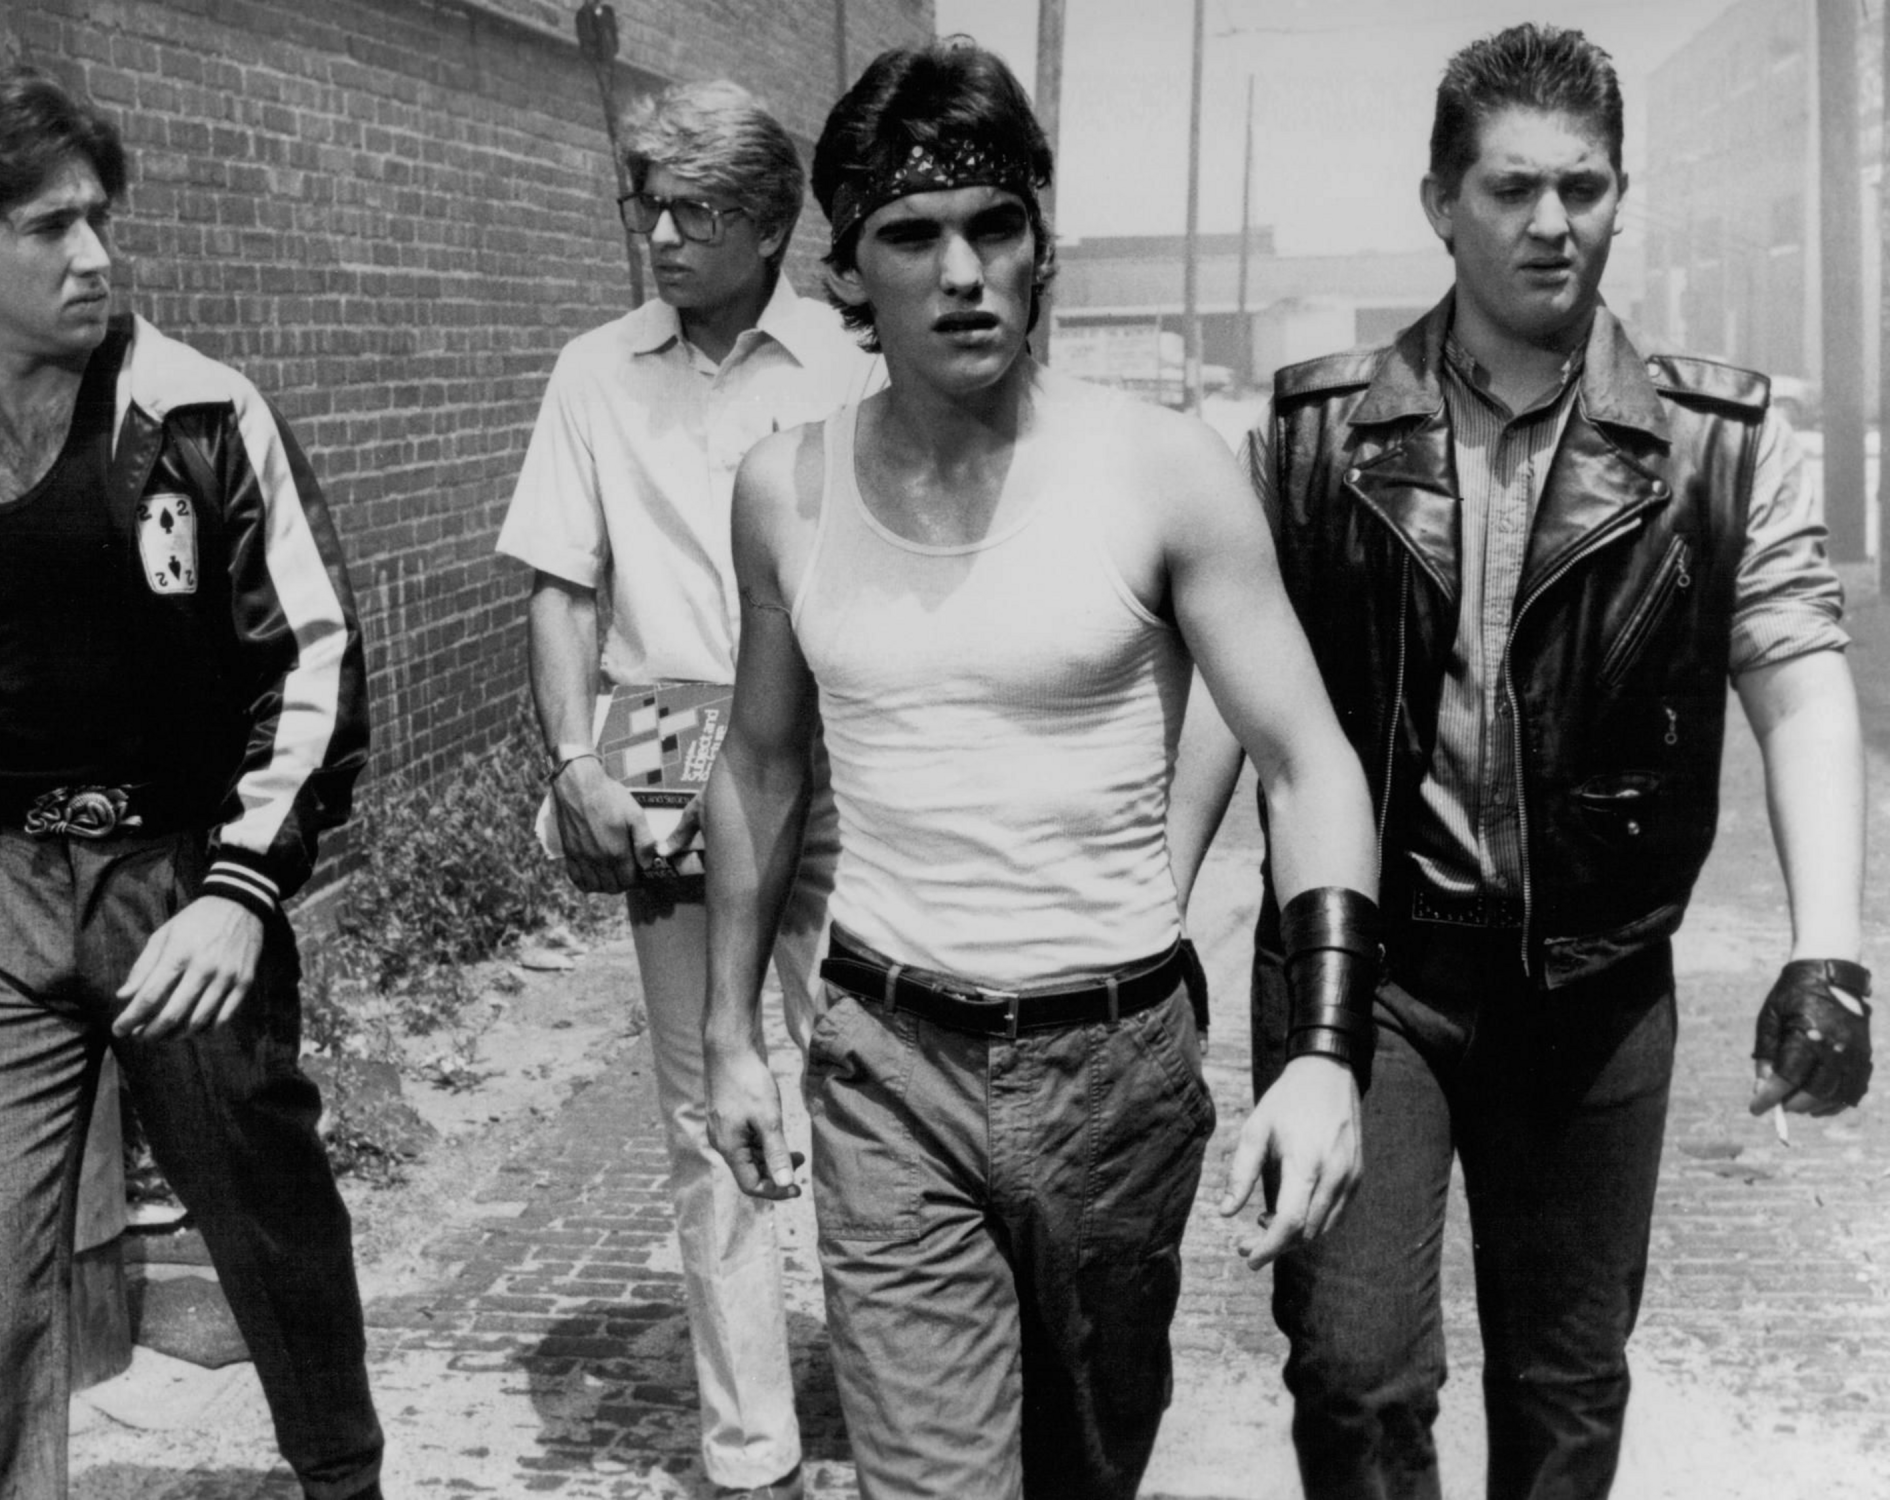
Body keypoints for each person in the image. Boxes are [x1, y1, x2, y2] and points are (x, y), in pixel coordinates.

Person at [702, 39, 1382, 1500]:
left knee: (1084, 1470)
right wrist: (729, 1037)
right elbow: (761, 767)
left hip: (1115, 1069)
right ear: (850, 273)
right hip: (887, 1064)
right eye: (913, 236)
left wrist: (1323, 1049)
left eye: (995, 227)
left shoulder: (1165, 469)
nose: (963, 273)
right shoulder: (785, 487)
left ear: (1039, 246)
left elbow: (1309, 762)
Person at [1232, 23, 1871, 1500]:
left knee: (1569, 1389)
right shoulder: (1311, 433)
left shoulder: (1724, 443)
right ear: (1438, 202)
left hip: (1594, 985)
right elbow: (1239, 706)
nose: (1551, 223)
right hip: (1370, 971)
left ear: (1621, 195)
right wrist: (1143, 921)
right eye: (1512, 186)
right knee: (1354, 1369)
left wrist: (1827, 948)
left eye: (1583, 187)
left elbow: (1799, 679)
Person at [0, 67, 382, 1500]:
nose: (95, 255)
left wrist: (237, 894)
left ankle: (345, 1480)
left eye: (100, 218)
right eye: (49, 229)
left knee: (271, 1231)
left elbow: (317, 661)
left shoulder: (203, 415)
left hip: (180, 884)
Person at [494, 78, 878, 1500]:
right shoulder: (595, 371)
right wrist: (574, 763)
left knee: (866, 1079)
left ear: (773, 225)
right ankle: (749, 1444)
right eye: (644, 203)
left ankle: (899, 1402)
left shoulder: (851, 365)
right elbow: (557, 584)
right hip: (664, 744)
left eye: (695, 209)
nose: (659, 232)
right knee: (705, 1111)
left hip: (833, 755)